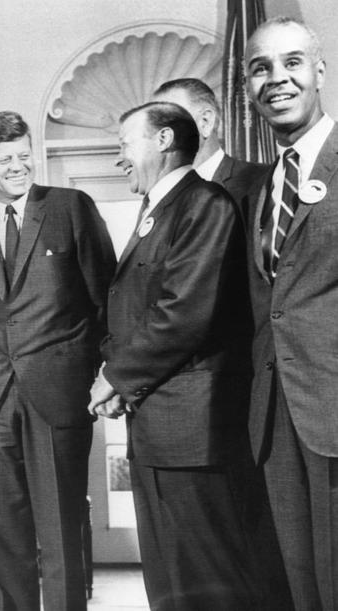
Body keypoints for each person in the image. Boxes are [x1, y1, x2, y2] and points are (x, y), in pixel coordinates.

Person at [87, 101, 260, 609]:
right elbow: (132, 306)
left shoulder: (204, 204)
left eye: (124, 143)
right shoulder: (159, 209)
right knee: (171, 578)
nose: (119, 157)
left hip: (193, 432)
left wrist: (116, 378)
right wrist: (117, 374)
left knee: (207, 576)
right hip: (161, 424)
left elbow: (183, 313)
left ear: (162, 140)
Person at [0, 111, 115, 610]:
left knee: (60, 523)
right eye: (5, 160)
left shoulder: (69, 207)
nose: (19, 167)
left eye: (25, 156)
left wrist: (99, 370)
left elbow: (104, 296)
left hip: (58, 392)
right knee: (4, 529)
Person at [152, 77, 293, 609]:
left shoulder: (261, 182)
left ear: (207, 122)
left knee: (264, 548)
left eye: (174, 120)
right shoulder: (162, 198)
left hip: (258, 393)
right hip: (188, 406)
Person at [243, 17, 338, 610]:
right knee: (304, 587)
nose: (276, 79)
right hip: (278, 416)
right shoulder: (267, 183)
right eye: (260, 68)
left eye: (292, 63)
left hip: (333, 407)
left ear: (320, 71)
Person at [152, 78, 268, 218]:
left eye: (169, 122)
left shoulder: (262, 181)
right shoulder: (160, 194)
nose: (161, 137)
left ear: (205, 121)